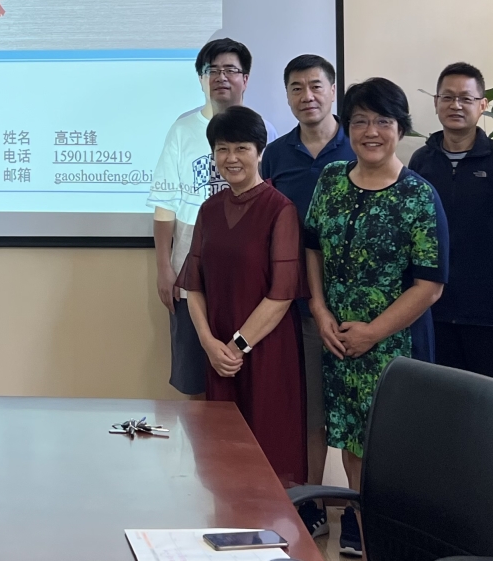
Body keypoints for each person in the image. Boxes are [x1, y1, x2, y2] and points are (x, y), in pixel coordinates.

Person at [305, 78, 448, 557]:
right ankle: (369, 549)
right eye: (360, 121)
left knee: (393, 463)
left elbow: (430, 285)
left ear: (400, 129)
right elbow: (312, 247)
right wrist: (319, 308)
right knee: (353, 456)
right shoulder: (331, 179)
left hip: (394, 353)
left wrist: (373, 332)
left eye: (383, 121)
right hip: (339, 346)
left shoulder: (418, 195)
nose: (371, 132)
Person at [177, 106, 306, 485]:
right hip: (218, 350)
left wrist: (237, 347)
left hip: (265, 349)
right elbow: (194, 285)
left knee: (268, 450)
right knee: (222, 454)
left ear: (260, 151)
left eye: (241, 148)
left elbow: (281, 295)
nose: (230, 158)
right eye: (222, 149)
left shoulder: (280, 209)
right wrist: (209, 344)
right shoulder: (209, 210)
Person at [258, 53, 354, 539]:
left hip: (359, 304)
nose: (307, 96)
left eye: (316, 86)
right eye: (296, 88)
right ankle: (312, 503)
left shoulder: (359, 143)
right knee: (312, 411)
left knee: (362, 416)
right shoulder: (276, 154)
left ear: (333, 90)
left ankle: (361, 516)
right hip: (299, 303)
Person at [149, 38, 278, 400]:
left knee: (249, 381)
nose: (221, 77)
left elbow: (273, 201)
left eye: (230, 70)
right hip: (191, 274)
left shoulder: (266, 131)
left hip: (250, 275)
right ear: (201, 78)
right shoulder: (182, 129)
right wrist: (164, 267)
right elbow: (165, 204)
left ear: (245, 78)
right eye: (212, 70)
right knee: (196, 378)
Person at [409, 63, 493, 384]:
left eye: (466, 99)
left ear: (483, 105)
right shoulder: (421, 161)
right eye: (447, 97)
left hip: (490, 311)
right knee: (442, 402)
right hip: (433, 310)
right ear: (436, 103)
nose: (455, 105)